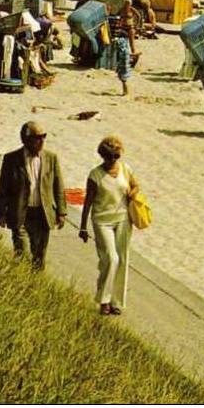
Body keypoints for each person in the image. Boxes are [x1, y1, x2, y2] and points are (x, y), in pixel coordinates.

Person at [0, 121, 67, 271]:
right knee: (23, 254)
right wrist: (0, 213)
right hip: (21, 213)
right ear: (25, 139)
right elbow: (3, 188)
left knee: (39, 258)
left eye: (43, 136)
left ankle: (35, 288)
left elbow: (58, 185)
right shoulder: (11, 159)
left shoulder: (51, 158)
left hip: (42, 214)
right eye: (37, 137)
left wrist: (61, 211)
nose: (42, 141)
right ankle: (21, 284)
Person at [79, 135, 138, 315]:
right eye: (110, 156)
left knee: (122, 259)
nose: (113, 160)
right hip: (102, 221)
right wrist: (82, 227)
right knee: (111, 259)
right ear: (103, 156)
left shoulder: (125, 169)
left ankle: (116, 301)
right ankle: (103, 300)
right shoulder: (95, 175)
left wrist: (132, 193)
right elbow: (87, 202)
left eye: (117, 156)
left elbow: (136, 186)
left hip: (122, 219)